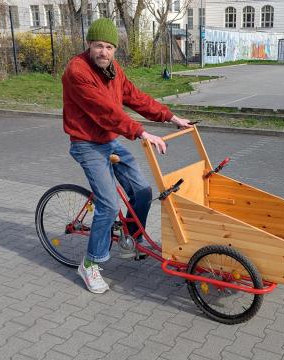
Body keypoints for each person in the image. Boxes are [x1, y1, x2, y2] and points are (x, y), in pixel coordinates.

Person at [62, 18, 192, 294]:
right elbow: (105, 112)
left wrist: (171, 117)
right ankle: (90, 265)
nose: (104, 52)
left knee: (143, 191)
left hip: (109, 141)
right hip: (87, 144)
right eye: (99, 46)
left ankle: (129, 241)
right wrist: (142, 134)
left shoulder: (112, 69)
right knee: (108, 205)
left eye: (109, 47)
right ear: (89, 45)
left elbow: (135, 97)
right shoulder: (77, 71)